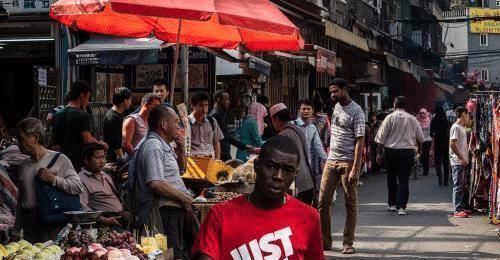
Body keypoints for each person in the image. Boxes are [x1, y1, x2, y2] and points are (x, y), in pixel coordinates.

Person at [191, 136, 324, 260]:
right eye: (271, 166)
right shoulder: (220, 216)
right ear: (257, 165)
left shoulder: (309, 217)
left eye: (287, 170)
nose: (278, 176)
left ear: (295, 174)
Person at [129, 105, 192, 259]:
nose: (178, 126)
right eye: (176, 121)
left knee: (177, 253)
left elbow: (180, 170)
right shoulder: (153, 146)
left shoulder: (164, 144)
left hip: (172, 212)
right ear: (163, 124)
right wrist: (184, 198)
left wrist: (181, 149)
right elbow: (155, 182)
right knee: (170, 255)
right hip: (163, 214)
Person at [15, 118, 83, 243]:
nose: (18, 144)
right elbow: (21, 199)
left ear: (35, 137)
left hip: (51, 222)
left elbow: (78, 187)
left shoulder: (60, 159)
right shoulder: (23, 166)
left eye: (21, 139)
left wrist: (53, 179)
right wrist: (17, 227)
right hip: (30, 224)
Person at [318, 78, 365, 254]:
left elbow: (360, 141)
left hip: (348, 162)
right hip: (331, 160)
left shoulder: (357, 111)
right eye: (331, 92)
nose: (332, 95)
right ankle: (325, 241)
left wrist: (355, 168)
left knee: (350, 203)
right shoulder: (336, 107)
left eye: (335, 91)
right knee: (323, 202)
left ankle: (348, 242)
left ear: (344, 90)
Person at [375, 96, 424, 216]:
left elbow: (381, 138)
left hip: (391, 152)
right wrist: (420, 151)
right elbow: (420, 138)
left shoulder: (389, 118)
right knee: (403, 179)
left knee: (391, 177)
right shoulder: (412, 119)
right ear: (404, 105)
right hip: (407, 152)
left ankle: (391, 204)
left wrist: (378, 153)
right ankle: (401, 207)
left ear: (395, 104)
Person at [53, 80, 107, 171]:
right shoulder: (83, 115)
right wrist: (101, 144)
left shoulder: (58, 114)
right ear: (82, 96)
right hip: (77, 160)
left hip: (61, 161)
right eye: (88, 97)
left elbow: (55, 144)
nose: (87, 101)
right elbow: (87, 139)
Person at [270, 103, 315, 205]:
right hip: (308, 182)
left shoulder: (284, 134)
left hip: (298, 187)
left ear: (275, 118)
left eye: (272, 120)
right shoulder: (296, 128)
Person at [79, 143, 127, 230]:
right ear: (86, 160)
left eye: (103, 157)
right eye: (97, 158)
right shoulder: (81, 179)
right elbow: (83, 207)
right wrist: (104, 220)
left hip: (119, 217)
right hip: (103, 224)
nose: (102, 161)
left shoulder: (105, 175)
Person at [293, 99, 328, 202]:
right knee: (294, 193)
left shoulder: (313, 128)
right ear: (299, 110)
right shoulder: (292, 125)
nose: (306, 111)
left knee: (305, 194)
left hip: (307, 165)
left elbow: (318, 147)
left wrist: (328, 160)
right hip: (293, 163)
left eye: (308, 109)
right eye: (303, 109)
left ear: (312, 111)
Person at [209, 90, 252, 162]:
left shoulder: (221, 113)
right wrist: (243, 146)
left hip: (224, 150)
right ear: (218, 100)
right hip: (221, 151)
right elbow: (225, 136)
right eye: (226, 99)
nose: (229, 102)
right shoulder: (216, 115)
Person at [449, 107, 471, 218]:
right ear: (463, 114)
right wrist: (461, 158)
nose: (468, 117)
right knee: (457, 186)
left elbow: (469, 129)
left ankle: (461, 207)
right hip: (457, 162)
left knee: (461, 186)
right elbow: (452, 144)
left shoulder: (461, 127)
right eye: (467, 115)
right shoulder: (456, 127)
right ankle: (457, 210)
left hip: (461, 161)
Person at [189, 92, 224, 159]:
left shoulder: (212, 121)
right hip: (194, 163)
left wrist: (217, 160)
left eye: (206, 105)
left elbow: (216, 142)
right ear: (193, 106)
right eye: (201, 105)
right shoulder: (186, 122)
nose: (204, 109)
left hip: (211, 161)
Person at [103, 87, 132, 162]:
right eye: (129, 99)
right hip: (114, 158)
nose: (130, 102)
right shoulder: (113, 117)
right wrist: (122, 159)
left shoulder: (118, 114)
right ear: (124, 100)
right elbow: (116, 142)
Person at [431, 106, 451, 186]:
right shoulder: (446, 120)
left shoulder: (433, 120)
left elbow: (431, 133)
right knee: (446, 162)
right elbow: (448, 130)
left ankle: (440, 176)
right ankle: (446, 180)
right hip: (446, 143)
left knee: (437, 162)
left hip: (437, 143)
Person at [417, 108, 432, 176]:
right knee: (422, 155)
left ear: (426, 113)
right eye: (421, 113)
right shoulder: (417, 121)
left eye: (423, 113)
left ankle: (426, 170)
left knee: (426, 155)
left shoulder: (429, 120)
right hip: (420, 141)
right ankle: (424, 168)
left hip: (428, 140)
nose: (422, 115)